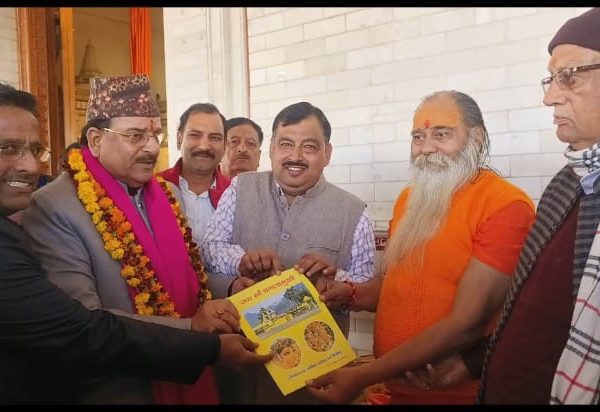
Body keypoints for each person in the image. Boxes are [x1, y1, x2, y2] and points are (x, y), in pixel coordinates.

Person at [0, 81, 270, 403]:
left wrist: (230, 287)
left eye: (155, 135)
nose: (152, 148)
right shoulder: (54, 205)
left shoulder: (167, 194)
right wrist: (192, 329)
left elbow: (184, 274)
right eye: (135, 135)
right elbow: (83, 322)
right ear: (96, 140)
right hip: (117, 386)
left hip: (189, 373)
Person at [305, 90, 536, 404]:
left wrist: (363, 376)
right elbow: (397, 287)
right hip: (398, 391)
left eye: (441, 134)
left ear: (477, 138)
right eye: (418, 137)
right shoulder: (410, 199)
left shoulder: (504, 205)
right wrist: (351, 293)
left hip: (460, 396)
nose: (426, 148)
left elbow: (468, 323)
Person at [202, 101, 376, 404]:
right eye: (286, 144)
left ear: (327, 153)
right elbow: (210, 249)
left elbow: (366, 287)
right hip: (238, 373)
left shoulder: (354, 211)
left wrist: (334, 281)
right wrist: (241, 262)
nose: (295, 156)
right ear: (271, 149)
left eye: (309, 147)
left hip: (313, 383)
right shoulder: (241, 188)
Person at [475, 8, 600, 404]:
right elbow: (533, 312)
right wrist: (473, 363)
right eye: (551, 78)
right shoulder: (568, 181)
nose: (549, 97)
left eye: (570, 75)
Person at [158, 103, 231, 246]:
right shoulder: (154, 187)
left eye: (215, 138)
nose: (204, 146)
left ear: (224, 145)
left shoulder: (235, 194)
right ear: (179, 139)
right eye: (195, 135)